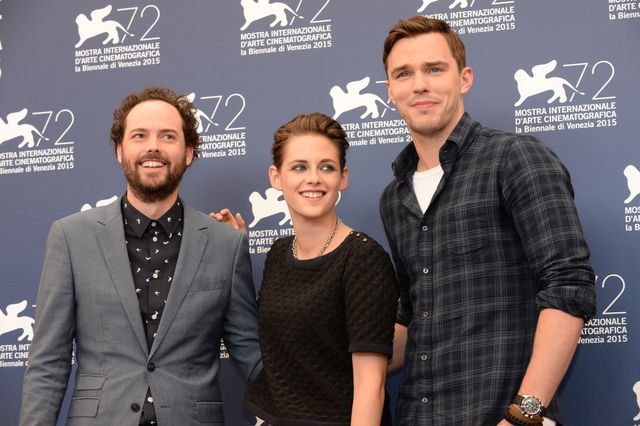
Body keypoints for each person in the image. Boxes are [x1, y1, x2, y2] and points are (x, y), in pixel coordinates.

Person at [379, 16, 597, 426]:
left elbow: (569, 285)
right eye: (403, 73)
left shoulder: (515, 158)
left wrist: (525, 416)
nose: (419, 84)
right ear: (390, 90)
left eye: (434, 69)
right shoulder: (394, 198)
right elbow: (412, 314)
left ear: (464, 79)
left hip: (500, 415)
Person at [20, 87, 261, 425]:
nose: (153, 146)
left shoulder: (226, 244)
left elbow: (251, 356)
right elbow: (48, 362)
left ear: (188, 153)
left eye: (168, 136)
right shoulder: (71, 237)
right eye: (139, 135)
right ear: (120, 150)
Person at [214, 112, 399, 425]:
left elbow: (371, 386)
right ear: (276, 177)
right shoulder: (279, 253)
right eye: (299, 167)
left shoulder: (362, 258)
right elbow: (272, 348)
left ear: (343, 177)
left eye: (326, 167)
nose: (313, 178)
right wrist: (234, 252)